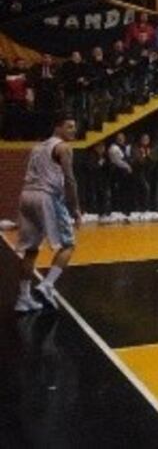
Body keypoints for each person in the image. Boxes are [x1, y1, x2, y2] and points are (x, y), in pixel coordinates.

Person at [14, 115, 83, 313]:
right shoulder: (63, 148)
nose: (73, 131)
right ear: (58, 127)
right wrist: (75, 208)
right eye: (69, 126)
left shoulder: (37, 147)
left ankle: (23, 298)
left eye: (74, 127)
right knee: (68, 245)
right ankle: (47, 285)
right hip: (47, 196)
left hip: (27, 195)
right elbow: (70, 180)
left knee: (31, 249)